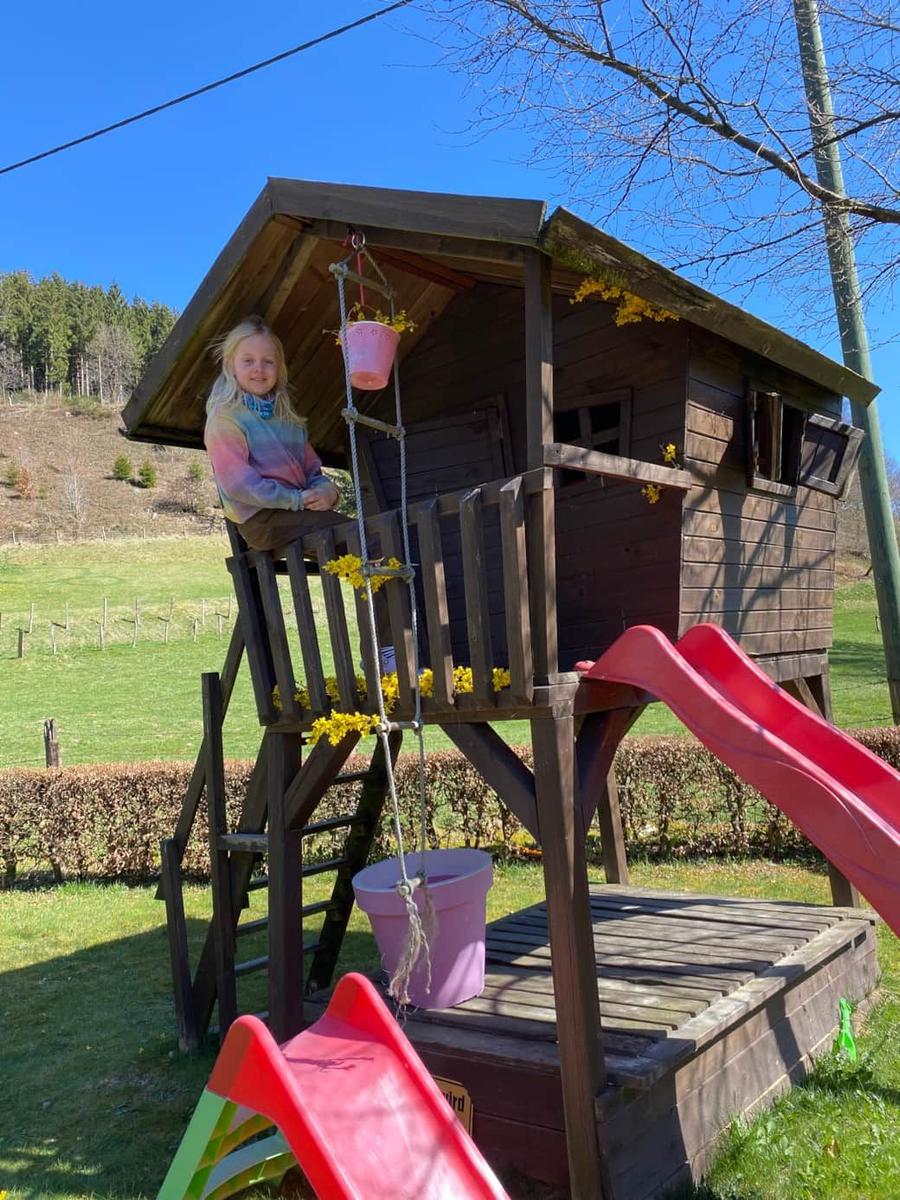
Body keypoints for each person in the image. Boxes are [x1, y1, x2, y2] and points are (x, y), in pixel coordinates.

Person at [204, 315, 342, 555]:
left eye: (268, 361)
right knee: (356, 535)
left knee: (364, 534)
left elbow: (312, 471)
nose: (259, 368)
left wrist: (328, 491)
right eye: (248, 361)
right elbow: (239, 485)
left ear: (279, 368)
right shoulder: (225, 417)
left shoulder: (288, 419)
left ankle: (383, 584)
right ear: (231, 366)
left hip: (299, 512)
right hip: (260, 520)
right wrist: (295, 500)